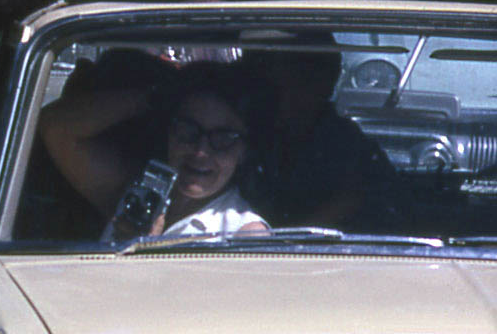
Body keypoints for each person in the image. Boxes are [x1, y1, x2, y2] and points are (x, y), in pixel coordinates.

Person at [37, 60, 270, 242]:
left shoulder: (244, 234)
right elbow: (55, 127)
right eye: (188, 131)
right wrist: (155, 98)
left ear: (244, 152)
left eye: (222, 139)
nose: (200, 151)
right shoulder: (133, 192)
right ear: (169, 132)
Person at [239, 41, 391, 227]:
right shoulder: (246, 133)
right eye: (282, 83)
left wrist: (291, 242)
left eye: (303, 81)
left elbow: (354, 196)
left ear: (327, 87)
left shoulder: (346, 143)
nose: (291, 94)